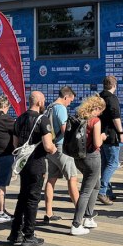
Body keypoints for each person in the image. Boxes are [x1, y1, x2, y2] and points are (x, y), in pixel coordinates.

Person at [9, 91, 55, 246]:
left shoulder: (19, 118)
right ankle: (29, 235)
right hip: (37, 163)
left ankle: (15, 233)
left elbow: (15, 145)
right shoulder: (43, 120)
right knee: (33, 199)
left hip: (23, 164)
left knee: (22, 197)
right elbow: (48, 146)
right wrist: (53, 149)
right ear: (40, 103)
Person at [70, 95, 105, 235]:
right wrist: (102, 137)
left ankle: (88, 217)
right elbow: (97, 143)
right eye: (100, 110)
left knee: (96, 185)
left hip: (78, 157)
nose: (101, 113)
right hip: (92, 157)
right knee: (85, 191)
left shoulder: (78, 117)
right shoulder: (95, 121)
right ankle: (76, 224)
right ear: (96, 108)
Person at [44, 88, 80, 222]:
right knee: (72, 178)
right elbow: (65, 130)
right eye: (70, 100)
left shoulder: (49, 107)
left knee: (51, 179)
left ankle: (48, 213)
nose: (70, 103)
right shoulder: (61, 109)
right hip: (61, 148)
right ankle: (80, 211)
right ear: (66, 97)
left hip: (50, 148)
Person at [97, 77, 123, 205]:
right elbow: (115, 117)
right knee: (113, 163)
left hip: (100, 134)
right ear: (115, 85)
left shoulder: (99, 97)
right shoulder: (112, 99)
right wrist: (121, 132)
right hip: (111, 135)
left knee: (105, 163)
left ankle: (107, 191)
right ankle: (102, 191)